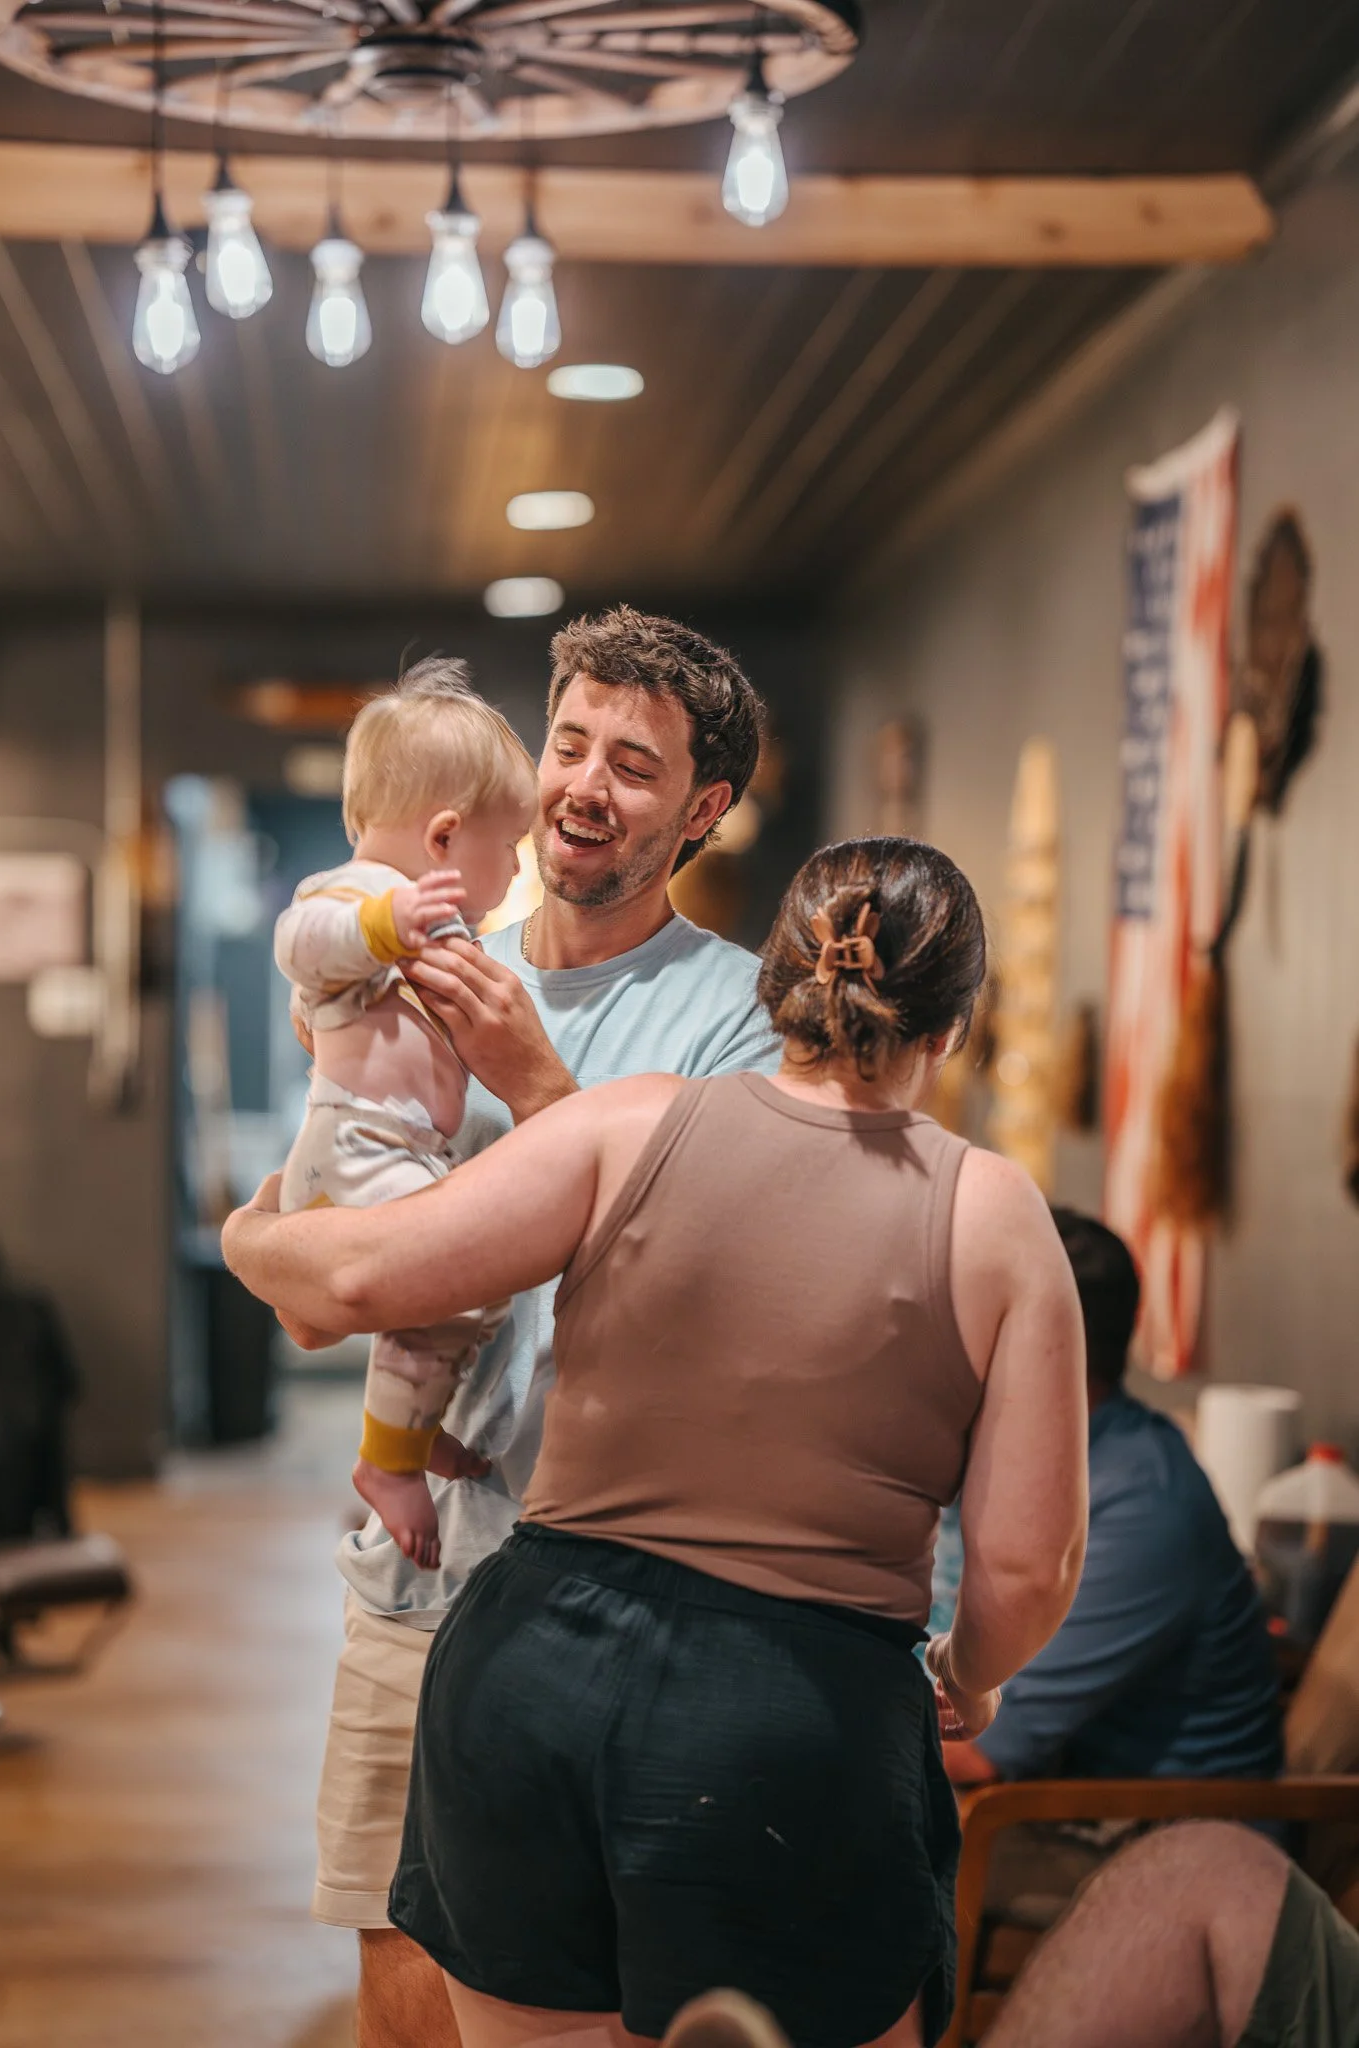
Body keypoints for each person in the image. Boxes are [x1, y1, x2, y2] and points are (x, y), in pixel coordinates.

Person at [224, 834, 1090, 2048]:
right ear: (952, 1030)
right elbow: (1023, 1568)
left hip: (530, 1677)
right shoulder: (993, 1215)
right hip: (789, 1720)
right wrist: (967, 1669)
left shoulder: (625, 1125)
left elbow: (358, 1272)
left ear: (779, 980)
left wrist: (248, 1236)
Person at [282, 607, 778, 2047]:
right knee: (399, 2001)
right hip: (414, 1588)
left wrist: (537, 1079)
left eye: (633, 762)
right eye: (568, 740)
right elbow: (314, 1216)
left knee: (580, 2009)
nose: (581, 782)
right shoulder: (420, 932)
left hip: (620, 1603)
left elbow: (720, 1295)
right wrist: (268, 1242)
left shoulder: (736, 1021)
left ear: (704, 809)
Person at [939, 1208, 1281, 1927]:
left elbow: (977, 1750)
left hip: (1155, 1842)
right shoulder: (1036, 1453)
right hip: (1058, 1796)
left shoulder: (1136, 1506)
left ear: (1046, 1343)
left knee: (827, 1845)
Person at [276, 660, 538, 1566]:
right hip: (358, 1142)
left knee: (468, 1299)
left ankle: (405, 1435)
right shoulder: (351, 895)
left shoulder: (438, 926)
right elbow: (303, 946)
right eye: (511, 849)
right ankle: (385, 1462)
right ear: (444, 837)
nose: (514, 870)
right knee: (461, 1277)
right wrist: (386, 928)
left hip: (406, 1149)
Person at [659, 1825, 1359, 2048]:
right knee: (1203, 1866)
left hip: (1093, 1802)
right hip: (1069, 1804)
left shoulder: (1130, 1510)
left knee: (878, 1830)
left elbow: (993, 1738)